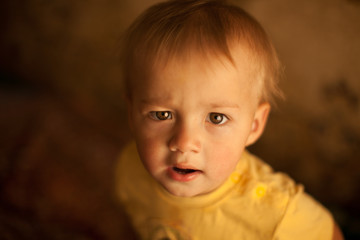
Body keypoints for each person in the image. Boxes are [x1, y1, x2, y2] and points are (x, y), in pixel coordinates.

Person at [115, 0, 344, 239]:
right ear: (132, 114)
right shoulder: (130, 171)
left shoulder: (281, 217)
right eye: (162, 114)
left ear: (254, 126)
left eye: (216, 118)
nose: (184, 143)